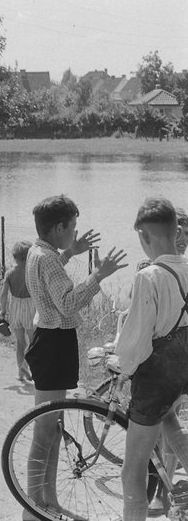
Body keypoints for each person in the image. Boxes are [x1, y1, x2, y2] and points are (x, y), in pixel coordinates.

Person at [22, 195, 125, 521]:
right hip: (53, 344)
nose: (75, 232)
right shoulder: (48, 258)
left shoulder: (40, 251)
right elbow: (67, 303)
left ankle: (47, 502)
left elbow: (51, 278)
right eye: (73, 228)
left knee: (52, 428)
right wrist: (99, 276)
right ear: (60, 227)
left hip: (52, 340)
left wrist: (70, 252)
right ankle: (33, 507)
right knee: (44, 431)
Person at [114, 198, 188, 520]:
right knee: (170, 421)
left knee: (132, 472)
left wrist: (121, 365)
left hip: (158, 376)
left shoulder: (150, 276)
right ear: (178, 230)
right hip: (184, 368)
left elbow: (135, 343)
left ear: (144, 236)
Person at [0, 240, 35, 381]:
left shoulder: (10, 273)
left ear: (15, 257)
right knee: (33, 342)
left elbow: (3, 293)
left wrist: (3, 310)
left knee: (20, 343)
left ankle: (20, 372)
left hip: (15, 307)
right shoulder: (31, 272)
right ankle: (28, 366)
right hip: (30, 306)